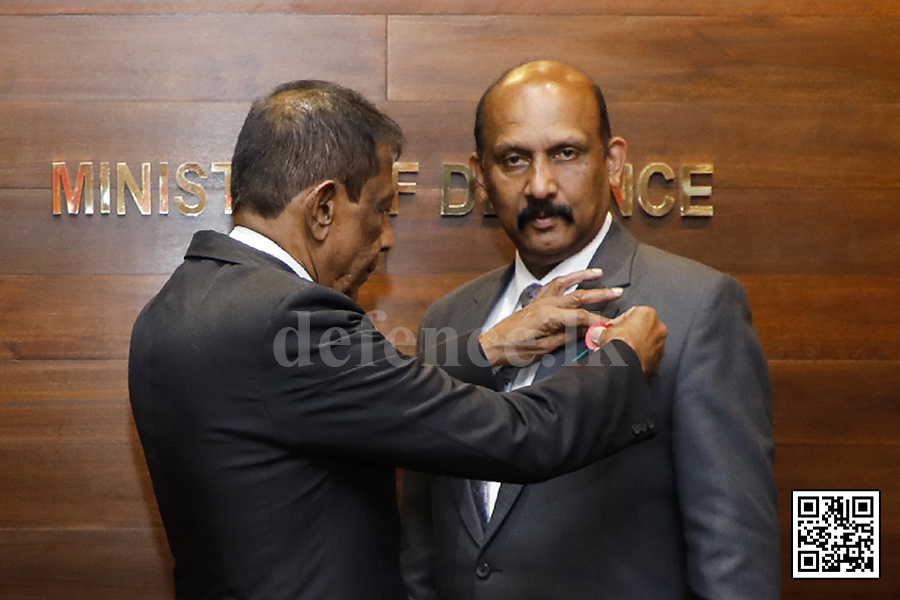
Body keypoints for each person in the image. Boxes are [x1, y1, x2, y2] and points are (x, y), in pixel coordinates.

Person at [127, 79, 668, 600]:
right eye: (383, 210)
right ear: (323, 208)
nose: (387, 238)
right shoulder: (290, 317)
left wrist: (489, 350)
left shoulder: (173, 307)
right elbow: (514, 435)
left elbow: (354, 397)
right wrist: (621, 360)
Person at [400, 61, 779, 600]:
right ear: (481, 176)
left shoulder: (697, 308)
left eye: (565, 153)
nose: (540, 185)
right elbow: (423, 544)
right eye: (514, 160)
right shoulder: (450, 319)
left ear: (614, 161)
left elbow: (734, 558)